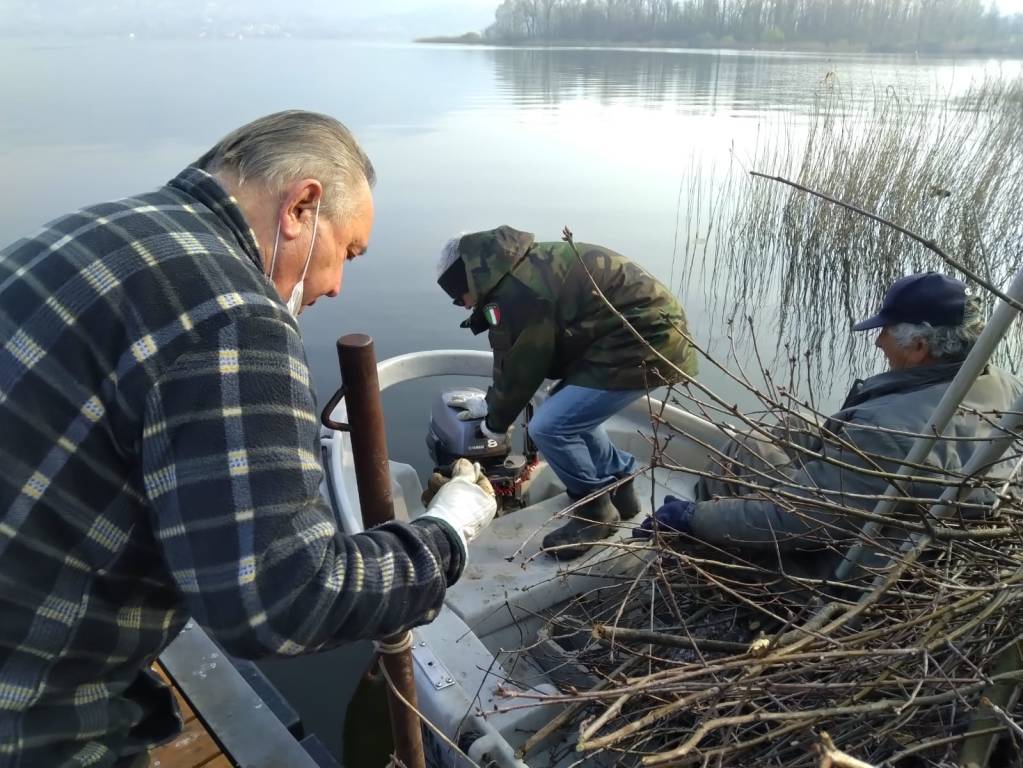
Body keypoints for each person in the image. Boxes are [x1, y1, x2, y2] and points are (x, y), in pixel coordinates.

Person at [0, 111, 496, 768]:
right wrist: (448, 534)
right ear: (301, 208)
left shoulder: (91, 230)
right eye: (346, 253)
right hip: (33, 713)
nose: (334, 287)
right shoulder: (233, 317)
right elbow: (282, 599)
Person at [641, 273, 1023, 579]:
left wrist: (693, 519)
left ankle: (697, 539)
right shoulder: (1007, 385)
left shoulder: (887, 428)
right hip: (917, 526)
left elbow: (797, 521)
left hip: (856, 566)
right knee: (789, 428)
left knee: (746, 447)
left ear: (919, 345)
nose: (878, 342)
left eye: (886, 330)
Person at [435, 226, 698, 560]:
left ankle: (595, 511)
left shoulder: (517, 292)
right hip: (636, 336)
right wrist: (492, 403)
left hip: (645, 343)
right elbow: (514, 355)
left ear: (469, 278)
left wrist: (494, 424)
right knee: (565, 412)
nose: (462, 306)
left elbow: (523, 365)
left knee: (548, 426)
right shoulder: (516, 269)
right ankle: (620, 483)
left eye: (459, 298)